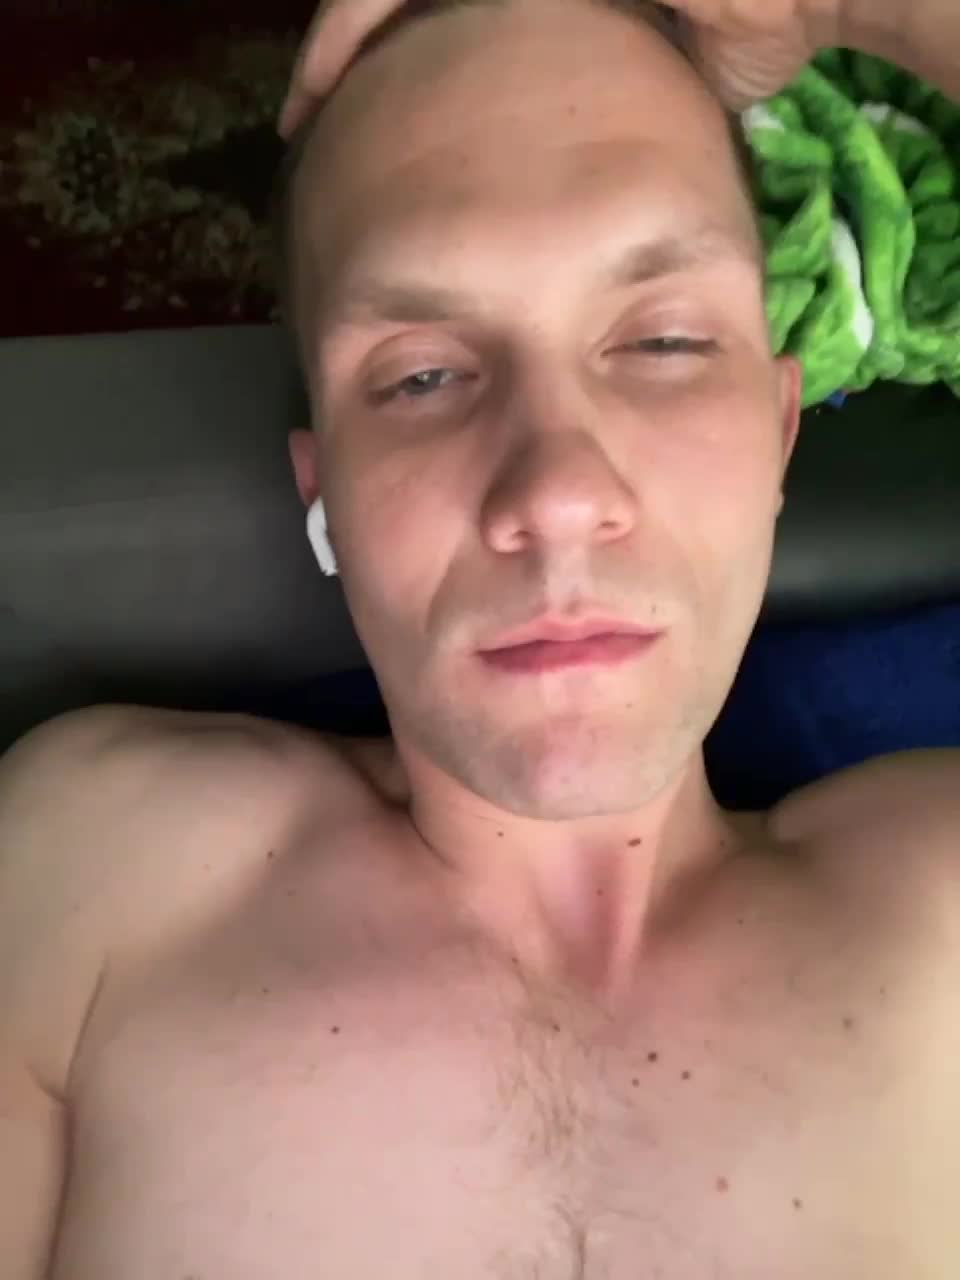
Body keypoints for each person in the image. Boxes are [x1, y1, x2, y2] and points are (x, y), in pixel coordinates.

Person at [1, 1, 958, 1276]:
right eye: (422, 376)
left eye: (665, 340)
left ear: (781, 431)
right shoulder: (93, 874)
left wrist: (853, 9)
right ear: (325, 494)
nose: (557, 492)